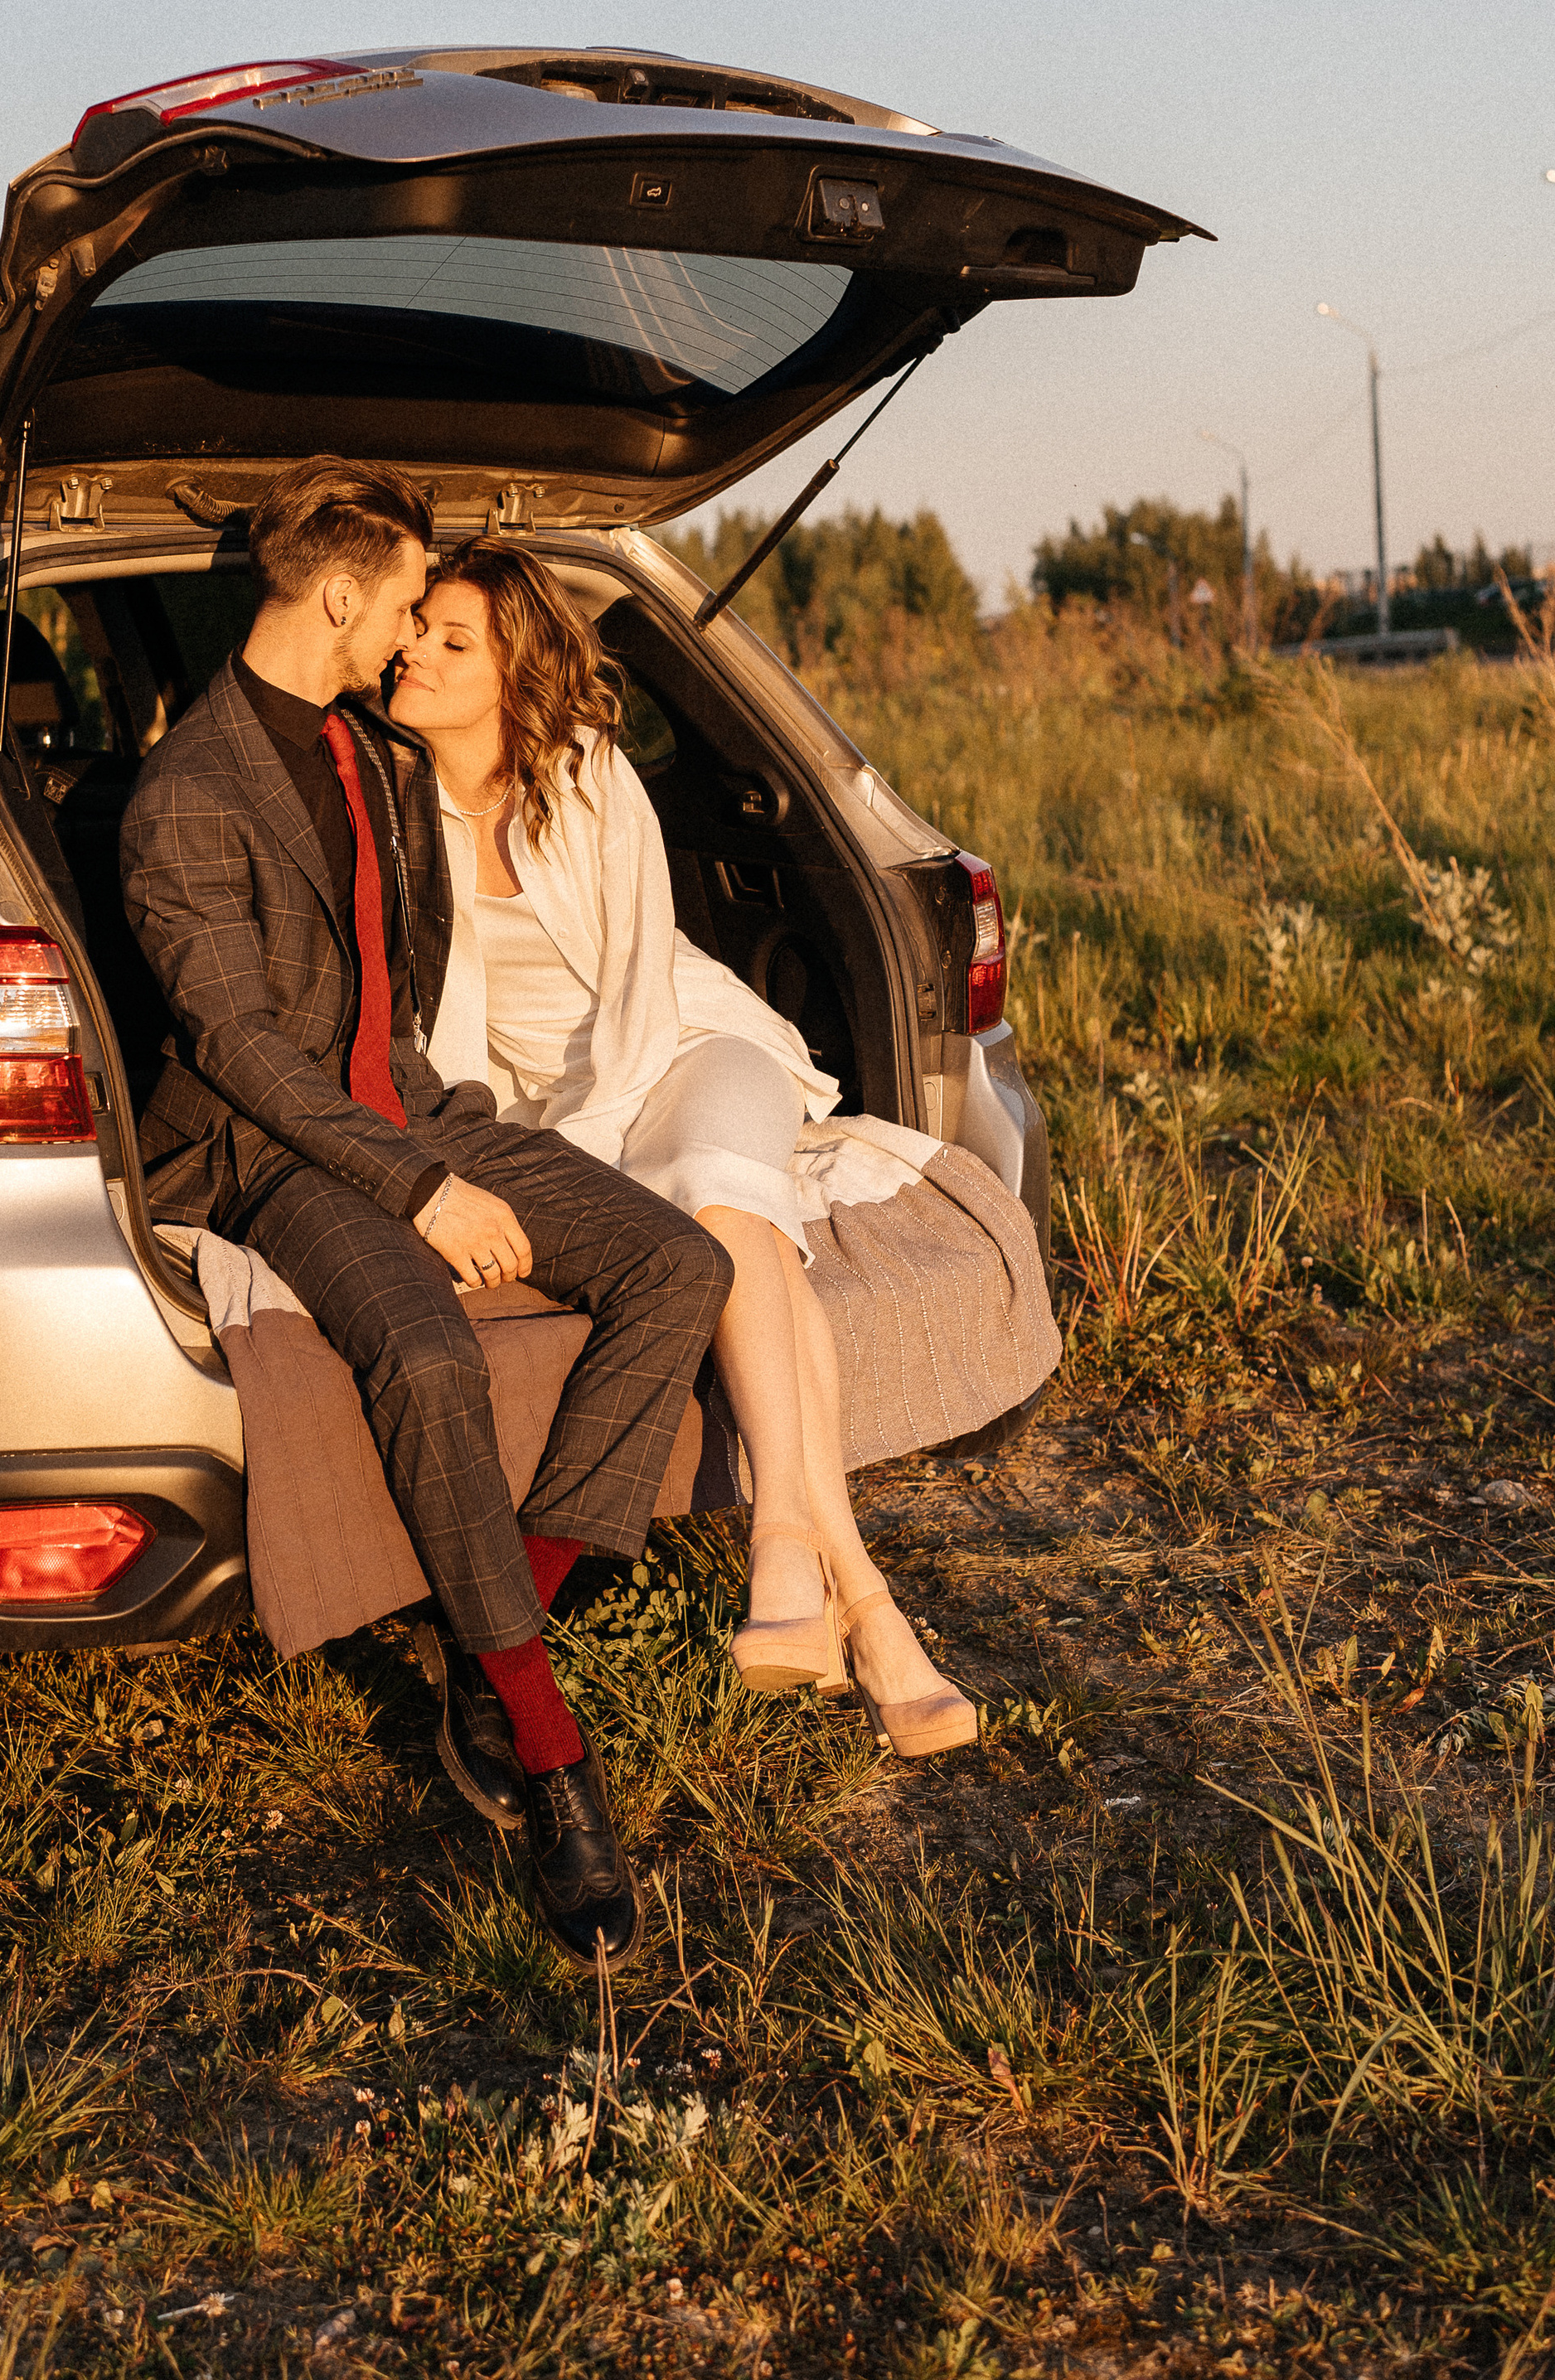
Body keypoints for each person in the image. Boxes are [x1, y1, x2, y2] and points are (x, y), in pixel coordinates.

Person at [120, 459, 734, 1965]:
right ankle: (549, 1755)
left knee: (679, 1263)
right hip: (274, 1154)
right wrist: (421, 1190)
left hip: (413, 1106)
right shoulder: (182, 795)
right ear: (338, 593)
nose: (407, 635)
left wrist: (453, 1142)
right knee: (431, 1355)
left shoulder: (373, 755)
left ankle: (493, 1622)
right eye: (400, 602)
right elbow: (245, 1053)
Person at [388, 540, 978, 1758]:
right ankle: (859, 1601)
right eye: (416, 629)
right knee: (741, 1228)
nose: (415, 651)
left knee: (716, 1190)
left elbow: (641, 999)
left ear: (514, 676)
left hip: (687, 1046)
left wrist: (593, 1159)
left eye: (454, 641)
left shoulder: (592, 777)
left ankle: (782, 1543)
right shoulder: (394, 803)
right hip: (536, 1111)